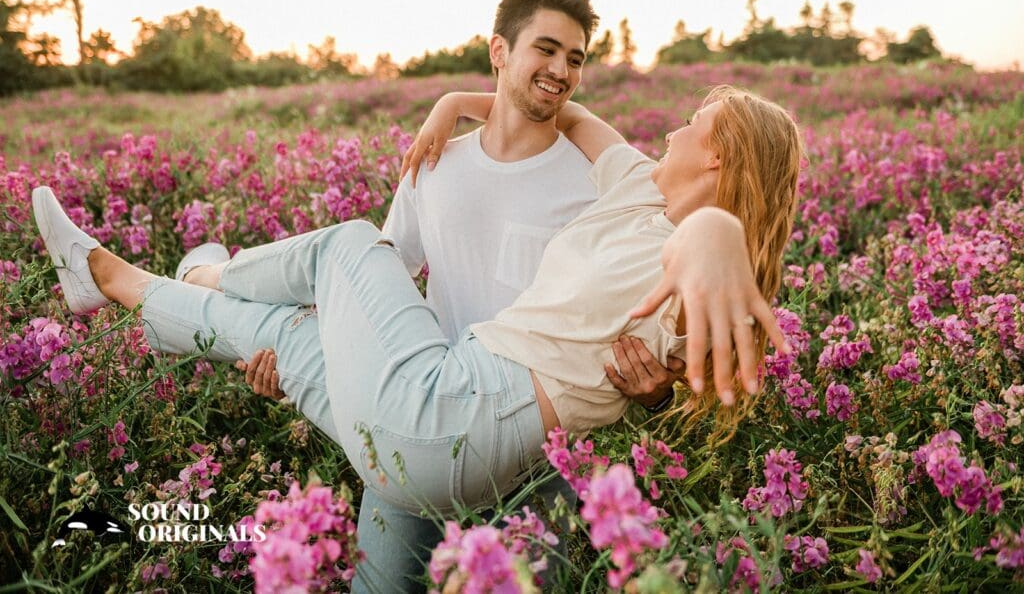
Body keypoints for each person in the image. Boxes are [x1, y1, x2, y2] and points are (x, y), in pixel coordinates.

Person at [32, 83, 802, 588]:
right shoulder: (634, 183)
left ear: (717, 155)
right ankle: (117, 280)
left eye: (692, 124)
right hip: (448, 401)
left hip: (476, 418)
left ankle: (204, 273)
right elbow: (566, 115)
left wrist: (716, 237)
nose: (670, 127)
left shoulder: (701, 256)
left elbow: (704, 265)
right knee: (289, 335)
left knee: (348, 243)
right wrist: (454, 104)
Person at [181, 0, 680, 591]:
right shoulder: (435, 160)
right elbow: (376, 286)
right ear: (499, 51)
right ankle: (205, 278)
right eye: (546, 49)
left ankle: (203, 276)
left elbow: (643, 308)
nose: (561, 70)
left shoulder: (597, 183)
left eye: (575, 58)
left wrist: (658, 393)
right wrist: (292, 356)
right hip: (420, 418)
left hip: (539, 456)